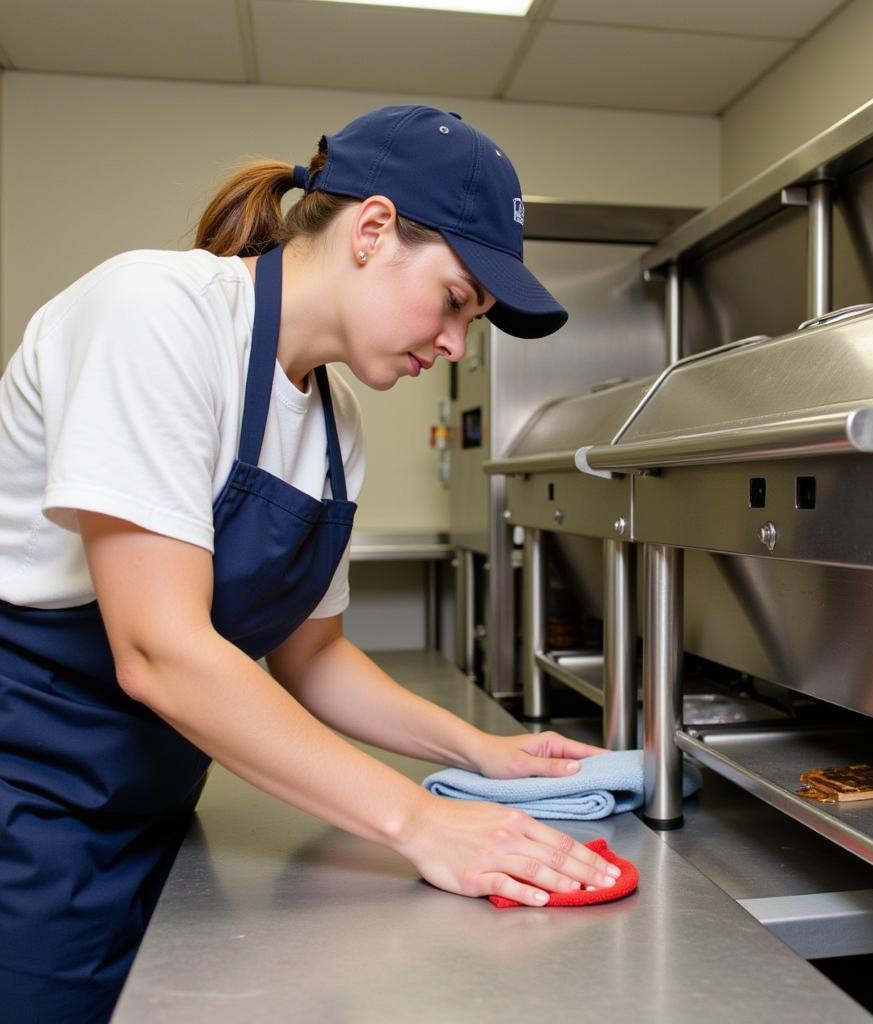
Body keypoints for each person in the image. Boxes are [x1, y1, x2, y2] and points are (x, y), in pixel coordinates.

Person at [0, 104, 617, 1023]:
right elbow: (160, 650)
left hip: (154, 799)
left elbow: (312, 655)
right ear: (372, 230)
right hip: (30, 801)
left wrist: (481, 753)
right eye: (455, 300)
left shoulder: (335, 426)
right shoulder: (155, 316)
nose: (455, 344)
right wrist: (420, 822)